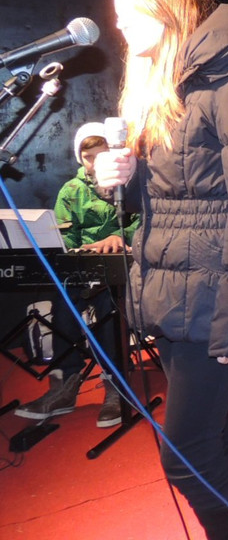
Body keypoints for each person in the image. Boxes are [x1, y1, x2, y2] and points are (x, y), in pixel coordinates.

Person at [94, 0, 228, 540]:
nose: (120, 27)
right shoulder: (163, 88)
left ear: (166, 8)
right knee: (220, 436)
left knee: (186, 455)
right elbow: (166, 198)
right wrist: (119, 179)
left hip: (214, 296)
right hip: (171, 291)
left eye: (129, 14)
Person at [15, 122, 140, 428]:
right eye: (88, 157)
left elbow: (144, 222)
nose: (95, 162)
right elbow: (63, 234)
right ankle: (64, 384)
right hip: (84, 267)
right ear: (80, 158)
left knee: (110, 304)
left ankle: (115, 382)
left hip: (123, 266)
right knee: (64, 301)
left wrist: (120, 237)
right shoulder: (71, 191)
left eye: (101, 155)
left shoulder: (129, 182)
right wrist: (79, 249)